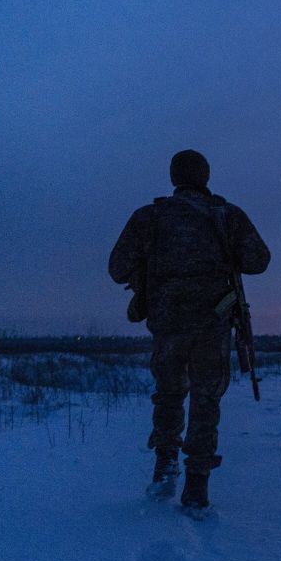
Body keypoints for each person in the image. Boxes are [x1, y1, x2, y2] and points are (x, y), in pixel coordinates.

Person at [108, 149, 270, 513]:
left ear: (173, 177)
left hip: (167, 324)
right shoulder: (226, 216)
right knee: (205, 399)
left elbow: (117, 268)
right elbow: (259, 260)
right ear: (206, 177)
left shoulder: (149, 218)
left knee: (168, 394)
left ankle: (166, 465)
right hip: (212, 324)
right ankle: (196, 484)